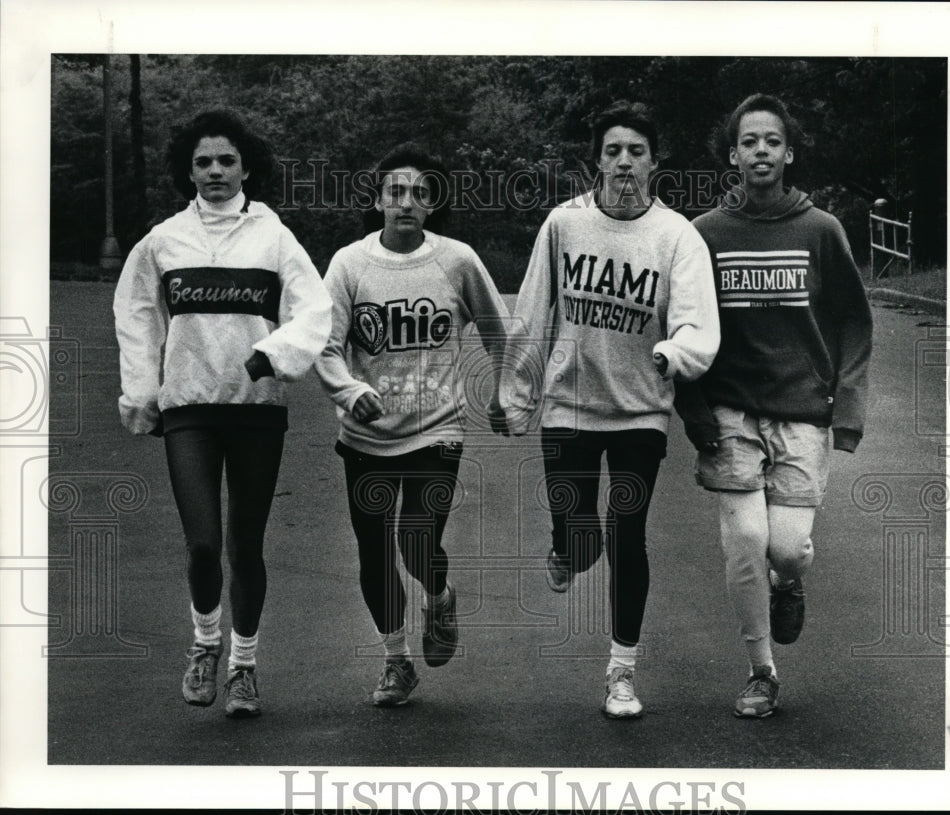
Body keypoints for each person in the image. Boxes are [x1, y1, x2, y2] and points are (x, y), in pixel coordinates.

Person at [500, 101, 720, 718]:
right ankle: (567, 547)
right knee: (580, 531)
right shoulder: (564, 226)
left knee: (628, 536)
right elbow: (532, 313)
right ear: (596, 160)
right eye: (614, 150)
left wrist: (674, 353)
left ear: (655, 162)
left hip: (640, 409)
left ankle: (621, 671)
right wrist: (515, 397)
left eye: (637, 152)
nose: (625, 162)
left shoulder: (677, 235)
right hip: (568, 403)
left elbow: (697, 320)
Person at [113, 109, 332, 718]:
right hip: (188, 409)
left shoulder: (274, 236)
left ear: (246, 167)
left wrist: (275, 354)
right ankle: (204, 644)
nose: (215, 171)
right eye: (204, 162)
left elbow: (313, 309)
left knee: (246, 545)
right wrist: (142, 391)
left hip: (256, 409)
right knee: (203, 544)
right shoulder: (163, 241)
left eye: (226, 160)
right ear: (188, 171)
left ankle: (243, 665)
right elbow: (136, 316)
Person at [674, 93, 873, 718]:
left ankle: (790, 582)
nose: (761, 151)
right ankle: (762, 670)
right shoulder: (704, 234)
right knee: (745, 539)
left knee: (785, 547)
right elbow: (681, 324)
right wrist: (696, 410)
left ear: (788, 152)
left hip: (803, 411)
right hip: (732, 411)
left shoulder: (821, 230)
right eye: (749, 141)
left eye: (772, 141)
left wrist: (848, 409)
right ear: (733, 154)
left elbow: (854, 321)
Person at [315, 143, 509, 707]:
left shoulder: (456, 260)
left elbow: (499, 332)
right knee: (374, 551)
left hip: (437, 429)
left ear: (432, 205)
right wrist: (351, 392)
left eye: (419, 194)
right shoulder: (349, 265)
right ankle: (396, 660)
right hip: (366, 437)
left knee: (417, 539)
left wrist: (505, 392)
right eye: (395, 192)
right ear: (377, 200)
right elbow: (325, 347)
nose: (406, 202)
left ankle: (440, 595)